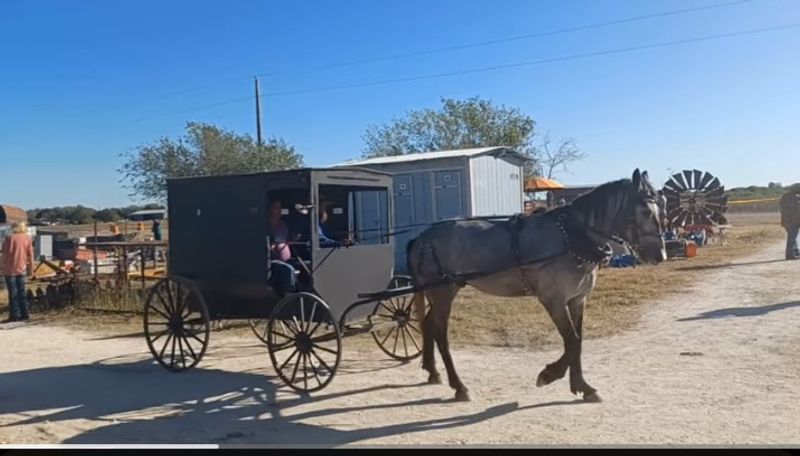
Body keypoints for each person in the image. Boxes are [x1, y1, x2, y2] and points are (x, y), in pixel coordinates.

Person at [2, 222, 34, 322]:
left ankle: (14, 315)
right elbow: (30, 255)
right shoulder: (27, 239)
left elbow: (5, 254)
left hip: (10, 269)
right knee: (22, 292)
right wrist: (30, 269)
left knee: (13, 293)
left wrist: (0, 266)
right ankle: (25, 314)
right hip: (22, 268)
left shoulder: (9, 238)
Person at [267, 200, 296, 296]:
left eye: (280, 208)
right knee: (288, 269)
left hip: (287, 259)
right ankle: (288, 298)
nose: (279, 210)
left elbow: (286, 239)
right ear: (270, 209)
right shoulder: (267, 225)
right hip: (273, 260)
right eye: (276, 208)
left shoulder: (283, 225)